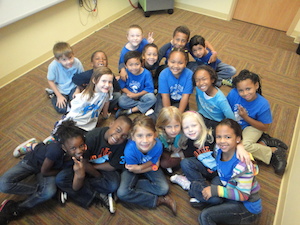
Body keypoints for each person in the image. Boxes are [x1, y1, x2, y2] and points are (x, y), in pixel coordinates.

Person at [0, 120, 87, 223]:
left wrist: (79, 172)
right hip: (34, 162)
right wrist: (61, 171)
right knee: (4, 184)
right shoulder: (56, 150)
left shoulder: (79, 156)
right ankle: (33, 146)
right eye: (73, 148)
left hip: (49, 169)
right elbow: (45, 171)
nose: (79, 151)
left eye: (81, 145)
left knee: (48, 192)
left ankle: (17, 208)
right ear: (64, 147)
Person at [55, 115, 133, 214]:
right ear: (111, 124)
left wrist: (94, 170)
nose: (118, 137)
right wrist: (96, 175)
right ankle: (99, 195)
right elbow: (83, 162)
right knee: (60, 179)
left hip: (99, 168)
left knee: (113, 184)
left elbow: (112, 166)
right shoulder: (92, 137)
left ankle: (73, 191)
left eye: (124, 136)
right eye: (118, 130)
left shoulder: (123, 145)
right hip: (83, 166)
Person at [198, 119, 262, 225]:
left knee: (205, 216)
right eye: (219, 137)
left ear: (237, 139)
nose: (222, 141)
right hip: (230, 187)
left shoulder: (243, 165)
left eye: (227, 137)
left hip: (247, 207)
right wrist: (239, 144)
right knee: (215, 184)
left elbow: (243, 196)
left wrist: (217, 190)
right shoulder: (218, 149)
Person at [227, 69, 287, 175]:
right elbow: (226, 108)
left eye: (248, 89)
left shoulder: (263, 104)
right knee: (226, 145)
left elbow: (264, 127)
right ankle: (263, 141)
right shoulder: (233, 94)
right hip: (235, 125)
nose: (245, 93)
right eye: (241, 90)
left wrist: (245, 117)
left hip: (252, 126)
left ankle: (273, 152)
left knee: (243, 147)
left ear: (256, 85)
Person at [117, 115, 177, 215]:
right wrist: (149, 166)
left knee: (164, 188)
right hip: (133, 169)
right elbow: (132, 169)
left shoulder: (157, 145)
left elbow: (155, 164)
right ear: (133, 137)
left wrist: (141, 167)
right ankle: (158, 200)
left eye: (149, 135)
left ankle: (131, 186)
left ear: (155, 135)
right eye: (140, 135)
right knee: (122, 193)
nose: (145, 140)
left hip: (144, 167)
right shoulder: (129, 150)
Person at [54, 66, 114, 133]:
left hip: (90, 123)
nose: (107, 85)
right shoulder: (84, 97)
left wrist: (105, 115)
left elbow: (107, 100)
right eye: (104, 81)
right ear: (94, 80)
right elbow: (73, 113)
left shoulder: (108, 89)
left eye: (110, 82)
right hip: (77, 123)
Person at [153, 48, 193, 120]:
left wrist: (179, 115)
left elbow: (185, 97)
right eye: (172, 62)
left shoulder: (189, 75)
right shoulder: (164, 74)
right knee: (160, 118)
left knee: (184, 120)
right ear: (168, 61)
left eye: (180, 63)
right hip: (165, 97)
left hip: (180, 100)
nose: (176, 66)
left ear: (185, 63)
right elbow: (165, 96)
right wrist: (170, 115)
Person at [46, 42, 84, 114]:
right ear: (57, 60)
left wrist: (78, 89)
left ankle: (70, 104)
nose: (69, 62)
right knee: (61, 109)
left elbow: (81, 77)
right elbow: (50, 81)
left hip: (74, 87)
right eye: (64, 60)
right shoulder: (53, 66)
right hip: (60, 89)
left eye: (70, 57)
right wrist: (59, 96)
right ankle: (53, 95)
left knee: (79, 103)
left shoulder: (77, 62)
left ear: (73, 54)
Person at [193, 65, 235, 130]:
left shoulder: (220, 99)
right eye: (197, 80)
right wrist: (199, 112)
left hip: (216, 122)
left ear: (212, 79)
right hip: (202, 116)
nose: (200, 83)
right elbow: (198, 101)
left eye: (204, 79)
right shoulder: (198, 89)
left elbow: (231, 118)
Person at [116, 51, 156, 117]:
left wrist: (137, 95)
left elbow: (149, 88)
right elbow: (122, 87)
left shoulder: (146, 73)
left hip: (142, 94)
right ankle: (144, 107)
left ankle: (130, 111)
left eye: (137, 64)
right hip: (130, 95)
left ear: (141, 64)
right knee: (122, 101)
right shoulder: (125, 73)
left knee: (152, 98)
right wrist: (131, 94)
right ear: (126, 66)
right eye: (130, 65)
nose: (134, 67)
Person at [155, 106, 186, 173]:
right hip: (165, 151)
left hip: (179, 151)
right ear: (163, 126)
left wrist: (181, 153)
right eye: (169, 126)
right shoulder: (159, 135)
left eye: (176, 126)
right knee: (164, 163)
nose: (173, 130)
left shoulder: (184, 132)